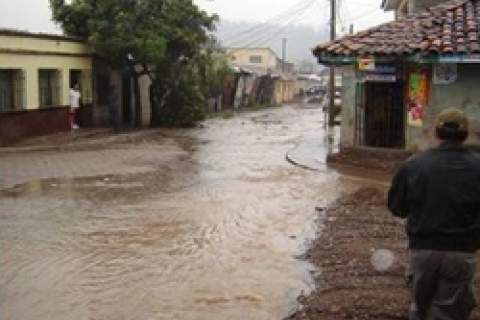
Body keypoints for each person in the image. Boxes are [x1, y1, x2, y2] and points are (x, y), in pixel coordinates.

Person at [388, 108, 480, 320]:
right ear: (465, 135)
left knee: (419, 307)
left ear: (436, 132)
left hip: (422, 251)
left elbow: (397, 207)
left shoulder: (413, 165)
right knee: (449, 311)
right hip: (461, 252)